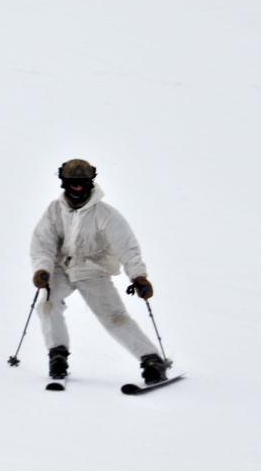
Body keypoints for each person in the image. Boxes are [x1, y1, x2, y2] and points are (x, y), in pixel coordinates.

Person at [30, 158, 168, 384]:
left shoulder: (107, 215)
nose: (78, 186)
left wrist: (138, 276)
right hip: (61, 269)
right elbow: (42, 244)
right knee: (47, 304)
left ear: (90, 181)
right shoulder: (54, 211)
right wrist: (42, 269)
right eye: (72, 181)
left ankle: (152, 360)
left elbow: (127, 249)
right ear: (63, 181)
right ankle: (57, 355)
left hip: (93, 271)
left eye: (83, 181)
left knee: (114, 317)